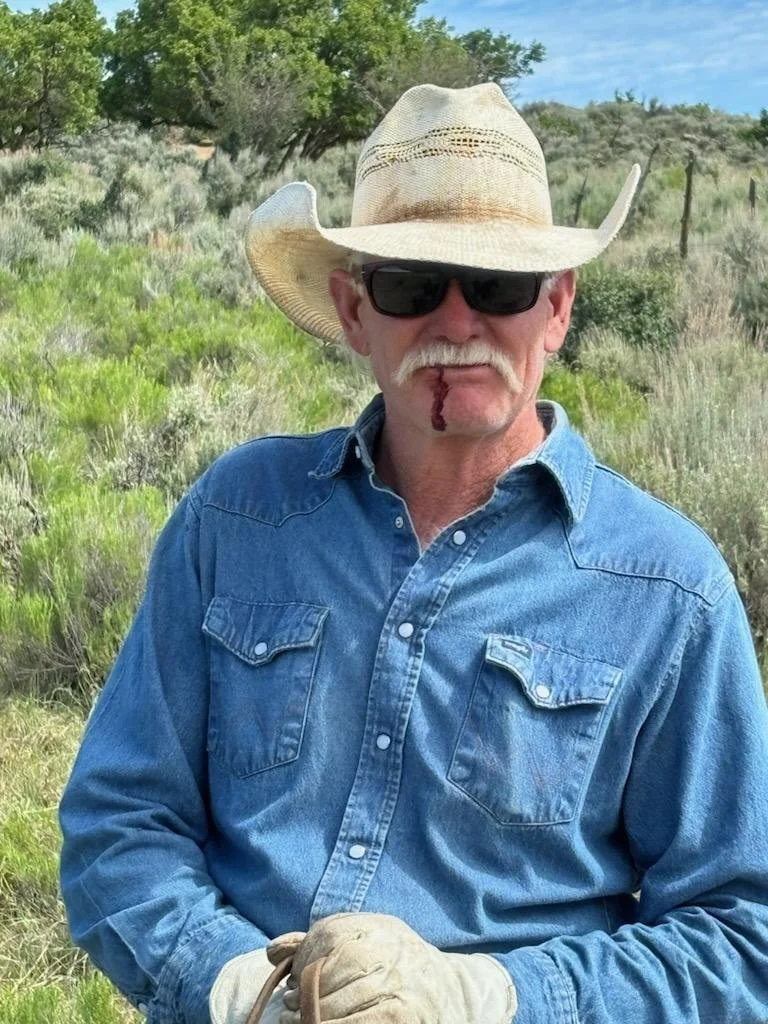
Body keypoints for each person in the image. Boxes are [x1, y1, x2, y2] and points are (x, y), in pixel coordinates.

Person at [59, 82, 768, 1024]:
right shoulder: (237, 518)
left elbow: (740, 934)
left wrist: (483, 999)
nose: (457, 322)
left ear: (557, 307)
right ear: (355, 312)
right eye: (411, 285)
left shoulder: (668, 587)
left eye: (499, 286)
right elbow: (118, 823)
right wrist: (241, 991)